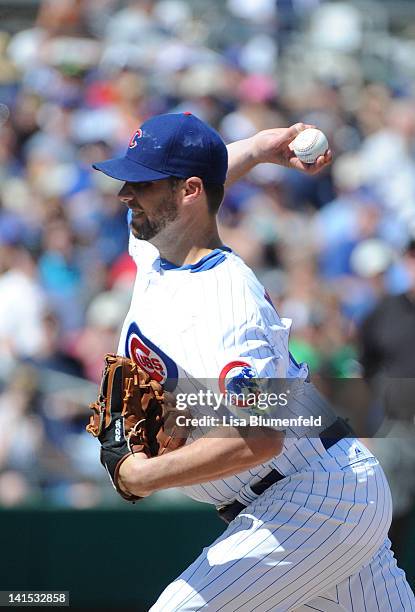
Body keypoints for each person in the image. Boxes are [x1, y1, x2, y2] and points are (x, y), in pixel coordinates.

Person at [92, 113, 414, 611]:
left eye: (143, 183)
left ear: (189, 191)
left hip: (311, 498)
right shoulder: (153, 250)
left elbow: (261, 436)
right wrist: (260, 148)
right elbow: (209, 175)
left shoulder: (230, 303)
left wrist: (143, 476)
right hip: (309, 496)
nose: (125, 194)